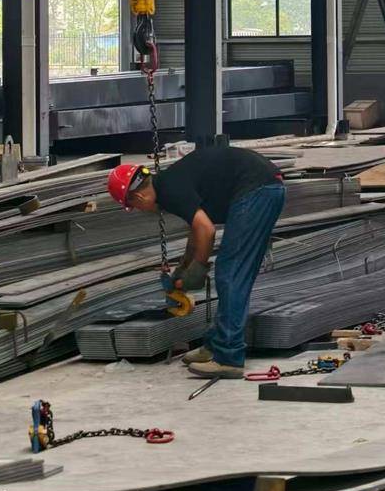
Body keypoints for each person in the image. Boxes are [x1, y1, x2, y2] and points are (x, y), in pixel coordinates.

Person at [107, 145, 285, 379]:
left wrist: (197, 270)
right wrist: (183, 267)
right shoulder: (170, 182)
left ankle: (228, 358)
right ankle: (215, 345)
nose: (140, 210)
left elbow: (206, 230)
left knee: (230, 273)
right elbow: (196, 230)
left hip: (257, 190)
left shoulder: (170, 190)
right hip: (265, 186)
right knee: (235, 273)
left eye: (133, 206)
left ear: (138, 197)